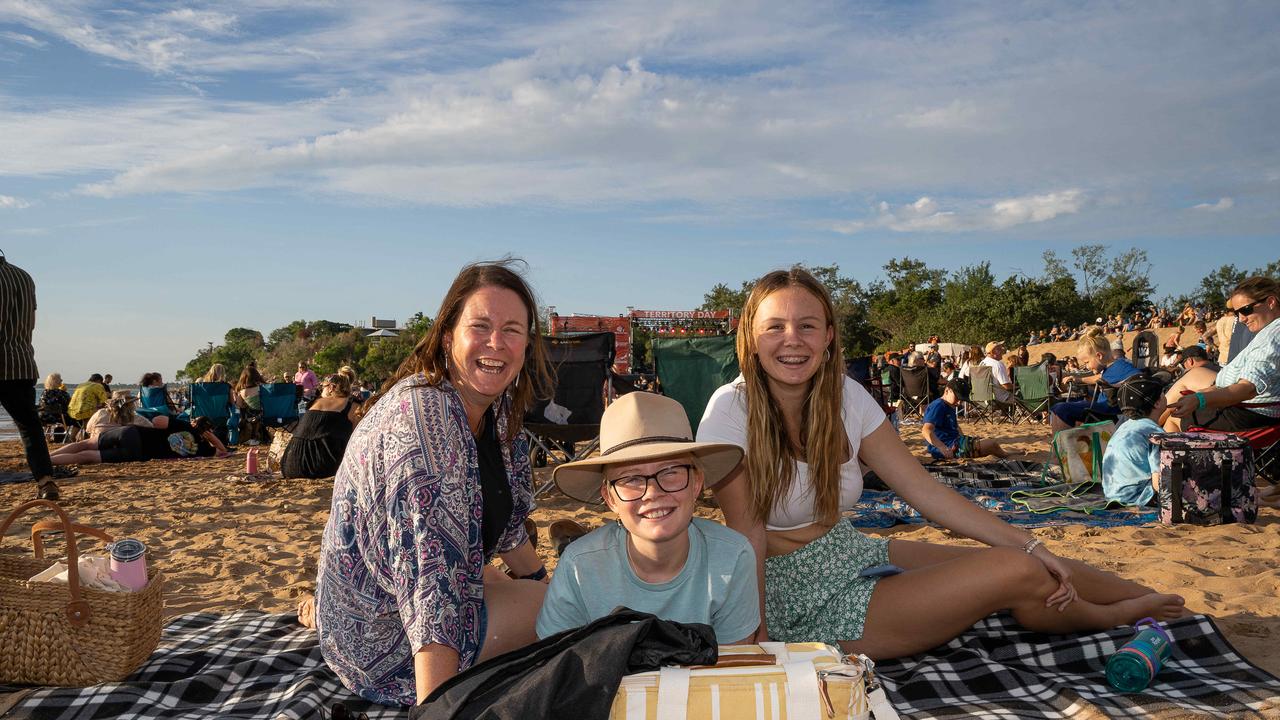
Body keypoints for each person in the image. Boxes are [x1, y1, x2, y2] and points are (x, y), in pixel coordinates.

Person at [696, 268, 1184, 660]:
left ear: (828, 336)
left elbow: (923, 490)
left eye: (807, 325)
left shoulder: (844, 396)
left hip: (844, 552)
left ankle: (1159, 603)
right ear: (751, 336)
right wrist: (754, 640)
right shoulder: (731, 409)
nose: (792, 340)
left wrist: (1030, 541)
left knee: (1036, 559)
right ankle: (1115, 616)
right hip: (790, 594)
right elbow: (746, 535)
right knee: (1018, 571)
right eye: (775, 327)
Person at [311, 260, 552, 707]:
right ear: (448, 338)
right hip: (380, 635)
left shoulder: (496, 418)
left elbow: (510, 529)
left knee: (546, 596)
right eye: (480, 326)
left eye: (513, 329)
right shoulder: (427, 418)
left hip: (407, 591)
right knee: (561, 613)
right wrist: (436, 707)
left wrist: (542, 580)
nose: (496, 342)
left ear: (526, 345)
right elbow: (430, 580)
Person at [537, 392, 758, 644]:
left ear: (697, 483)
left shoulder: (732, 557)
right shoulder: (578, 567)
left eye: (671, 472)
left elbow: (734, 668)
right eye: (631, 478)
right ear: (610, 498)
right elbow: (555, 662)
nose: (653, 492)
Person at [1169, 276, 1280, 432]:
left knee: (1173, 419)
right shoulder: (1269, 332)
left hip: (1249, 414)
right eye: (1237, 313)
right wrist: (1200, 395)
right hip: (1245, 406)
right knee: (1182, 398)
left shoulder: (1272, 336)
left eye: (1246, 310)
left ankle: (1142, 434)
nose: (1241, 319)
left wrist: (1199, 399)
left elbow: (1247, 389)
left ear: (1270, 302)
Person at [0, 252, 61, 500]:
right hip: (21, 362)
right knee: (30, 428)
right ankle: (46, 481)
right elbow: (31, 322)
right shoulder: (24, 277)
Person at [1049, 327, 1140, 433]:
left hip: (1109, 412)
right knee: (1056, 408)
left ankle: (1061, 448)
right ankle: (1056, 446)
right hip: (1101, 408)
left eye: (1087, 362)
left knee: (1061, 409)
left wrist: (1120, 385)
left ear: (1099, 356)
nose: (1086, 367)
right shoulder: (1109, 367)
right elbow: (1099, 378)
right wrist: (1078, 379)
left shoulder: (1121, 367)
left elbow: (1140, 379)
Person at [52, 415, 228, 466]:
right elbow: (223, 452)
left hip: (133, 433)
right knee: (85, 456)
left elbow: (157, 421)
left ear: (195, 422)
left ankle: (44, 458)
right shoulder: (203, 449)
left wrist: (185, 423)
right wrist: (209, 436)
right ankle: (49, 460)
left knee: (83, 444)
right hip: (137, 452)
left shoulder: (183, 424)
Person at [1101, 376, 1167, 507]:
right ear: (1157, 403)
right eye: (1163, 393)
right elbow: (1159, 481)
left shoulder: (1125, 427)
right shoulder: (1154, 434)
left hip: (1113, 494)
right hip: (1138, 497)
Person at [279, 373, 359, 479]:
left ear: (331, 387)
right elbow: (357, 437)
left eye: (323, 387)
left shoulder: (315, 402)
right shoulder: (352, 406)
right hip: (322, 467)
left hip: (289, 466)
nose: (321, 390)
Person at [921, 379, 1007, 461]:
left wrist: (964, 439)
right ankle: (1008, 455)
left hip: (954, 443)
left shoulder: (949, 405)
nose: (959, 403)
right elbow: (926, 430)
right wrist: (942, 447)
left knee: (988, 443)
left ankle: (1006, 454)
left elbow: (956, 427)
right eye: (957, 398)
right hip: (949, 448)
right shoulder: (938, 406)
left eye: (961, 400)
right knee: (992, 445)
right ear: (947, 391)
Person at [67, 373, 109, 443]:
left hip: (73, 411)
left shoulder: (81, 385)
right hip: (87, 412)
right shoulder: (97, 385)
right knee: (96, 416)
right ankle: (88, 438)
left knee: (79, 421)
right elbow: (104, 401)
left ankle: (72, 438)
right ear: (99, 380)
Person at [235, 363, 267, 445]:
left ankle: (254, 436)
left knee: (247, 410)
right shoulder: (263, 387)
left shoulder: (241, 391)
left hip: (251, 417)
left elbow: (239, 405)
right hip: (266, 415)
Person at [37, 373, 72, 442]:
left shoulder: (44, 393)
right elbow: (69, 405)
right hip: (60, 418)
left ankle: (47, 438)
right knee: (75, 420)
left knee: (49, 414)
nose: (62, 380)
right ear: (55, 381)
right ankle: (71, 437)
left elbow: (41, 406)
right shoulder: (62, 393)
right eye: (60, 379)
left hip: (43, 418)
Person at [980, 341, 1017, 405]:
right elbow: (1006, 386)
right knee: (1027, 397)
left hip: (983, 399)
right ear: (993, 352)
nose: (1002, 350)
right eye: (999, 349)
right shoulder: (998, 364)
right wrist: (1019, 387)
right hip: (1001, 398)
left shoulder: (982, 363)